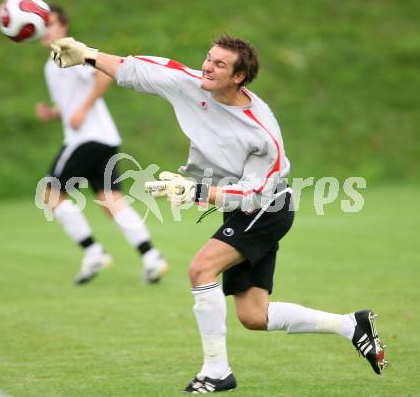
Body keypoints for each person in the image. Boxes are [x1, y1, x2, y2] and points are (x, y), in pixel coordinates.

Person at [50, 34, 387, 392]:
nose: (208, 67)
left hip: (266, 208)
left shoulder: (261, 132)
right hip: (241, 209)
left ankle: (216, 371)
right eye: (208, 58)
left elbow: (255, 194)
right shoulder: (193, 84)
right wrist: (86, 55)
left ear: (239, 77)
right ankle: (350, 325)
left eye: (219, 64)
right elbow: (138, 70)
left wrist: (195, 191)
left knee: (201, 268)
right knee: (254, 316)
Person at [36, 4, 168, 285]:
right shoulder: (51, 65)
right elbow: (69, 102)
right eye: (42, 23)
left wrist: (83, 109)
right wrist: (55, 113)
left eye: (52, 23)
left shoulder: (69, 51)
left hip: (86, 138)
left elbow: (103, 74)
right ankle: (151, 257)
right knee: (111, 200)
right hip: (104, 137)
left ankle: (93, 252)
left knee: (51, 195)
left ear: (63, 27)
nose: (46, 29)